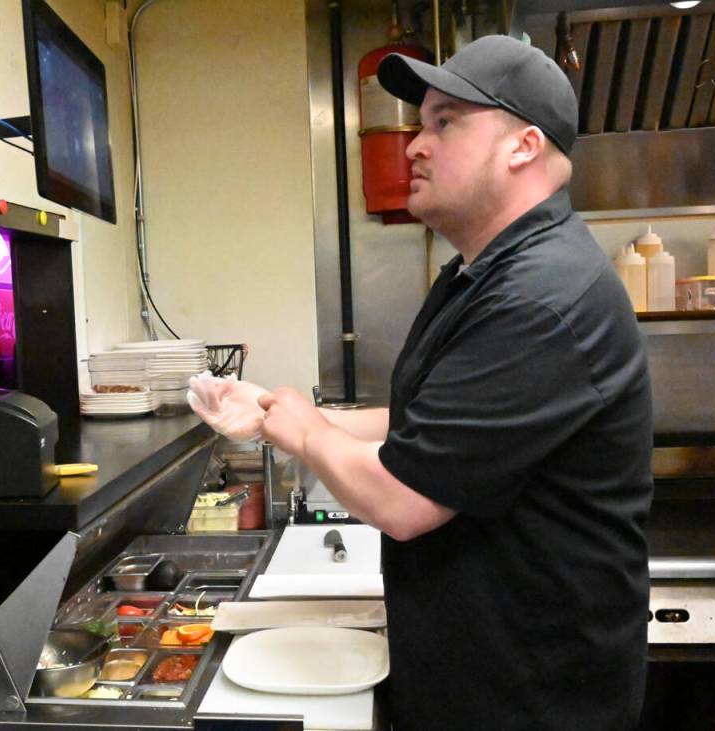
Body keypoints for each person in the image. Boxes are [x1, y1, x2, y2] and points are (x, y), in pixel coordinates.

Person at [189, 34, 653, 731]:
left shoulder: (542, 296)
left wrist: (305, 430)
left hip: (533, 700)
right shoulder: (483, 273)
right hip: (480, 680)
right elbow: (423, 420)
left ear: (523, 146)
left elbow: (404, 498)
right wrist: (269, 411)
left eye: (446, 122)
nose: (413, 144)